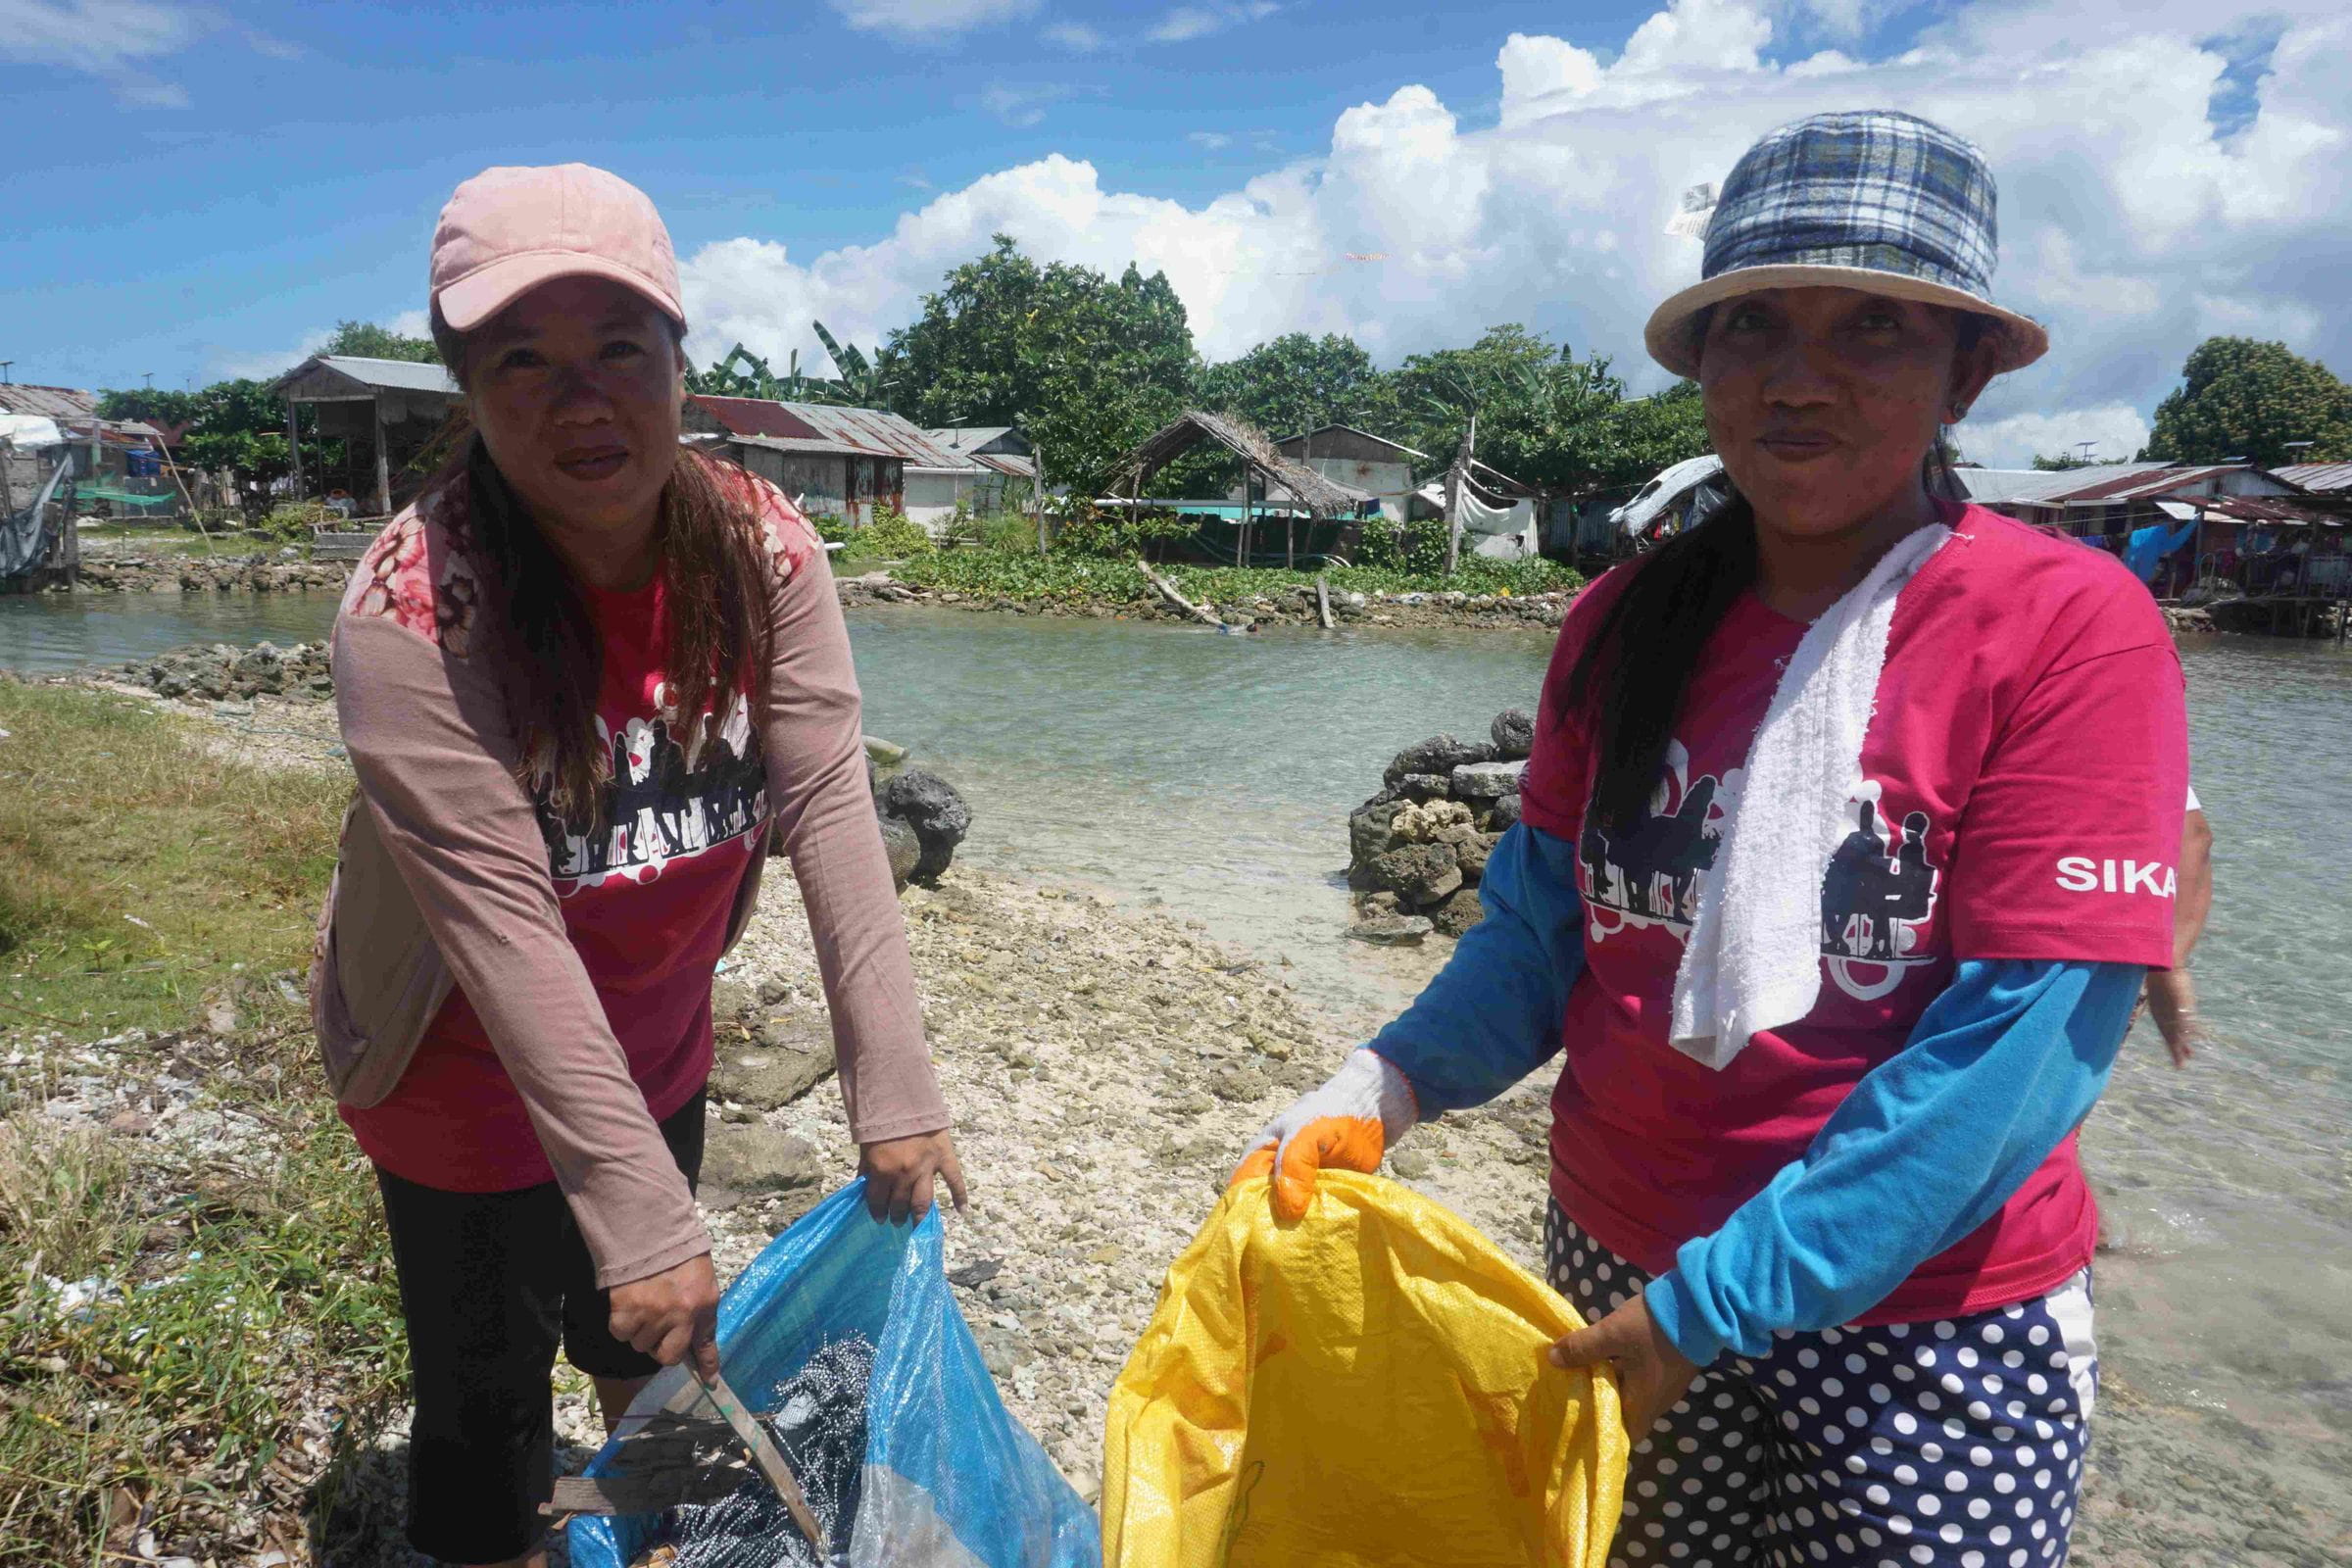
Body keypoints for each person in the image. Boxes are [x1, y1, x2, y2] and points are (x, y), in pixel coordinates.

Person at [1237, 112, 2186, 1568]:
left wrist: (1716, 1305)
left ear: (1968, 369)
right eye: (1755, 325)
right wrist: (1381, 1086)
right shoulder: (1621, 622)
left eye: (1873, 326)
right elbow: (1541, 939)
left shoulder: (2069, 628)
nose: (1798, 376)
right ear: (1703, 365)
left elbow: (2020, 1051)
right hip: (1620, 1255)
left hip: (1931, 1315)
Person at [309, 164, 965, 1568]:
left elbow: (828, 802)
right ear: (465, 390)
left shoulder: (763, 546)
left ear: (680, 359)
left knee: (657, 1357)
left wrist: (896, 1089)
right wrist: (645, 1223)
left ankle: (648, 1536)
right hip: (457, 1066)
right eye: (522, 362)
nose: (583, 401)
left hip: (658, 1032)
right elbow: (502, 931)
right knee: (487, 1412)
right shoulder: (412, 610)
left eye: (619, 348)